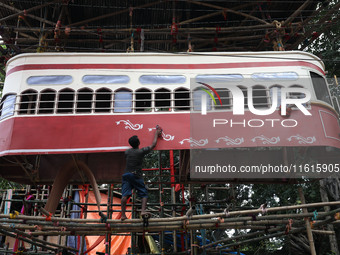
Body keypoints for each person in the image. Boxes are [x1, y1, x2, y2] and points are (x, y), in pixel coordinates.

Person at [121, 127, 162, 220]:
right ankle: (143, 211)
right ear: (139, 143)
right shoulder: (140, 152)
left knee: (125, 195)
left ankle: (123, 215)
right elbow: (153, 145)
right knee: (144, 193)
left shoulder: (127, 152)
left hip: (126, 175)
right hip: (135, 175)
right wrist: (156, 133)